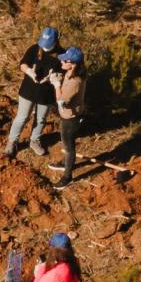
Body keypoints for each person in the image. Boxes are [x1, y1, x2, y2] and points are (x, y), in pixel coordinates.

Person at [2, 27, 62, 158]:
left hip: (47, 93)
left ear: (56, 42)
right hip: (28, 90)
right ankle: (12, 141)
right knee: (22, 117)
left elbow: (63, 73)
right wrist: (29, 71)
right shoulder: (35, 48)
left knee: (41, 119)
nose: (45, 47)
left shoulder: (62, 54)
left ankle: (34, 140)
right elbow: (23, 64)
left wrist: (54, 78)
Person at [46, 47, 86, 190]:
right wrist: (60, 79)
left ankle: (67, 177)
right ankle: (65, 164)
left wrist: (56, 85)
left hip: (71, 119)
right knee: (66, 144)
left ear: (73, 63)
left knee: (69, 148)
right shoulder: (71, 73)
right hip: (68, 116)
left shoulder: (75, 81)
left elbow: (61, 100)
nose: (61, 61)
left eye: (65, 60)